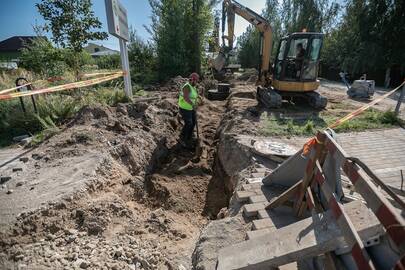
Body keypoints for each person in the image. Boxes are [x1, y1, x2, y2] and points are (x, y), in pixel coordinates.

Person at [178, 72, 199, 149]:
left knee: (193, 122)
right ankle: (182, 138)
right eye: (196, 80)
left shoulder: (193, 87)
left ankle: (189, 137)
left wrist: (196, 103)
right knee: (189, 123)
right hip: (185, 108)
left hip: (191, 108)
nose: (197, 82)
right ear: (192, 80)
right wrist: (193, 104)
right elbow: (186, 98)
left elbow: (194, 97)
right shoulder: (187, 86)